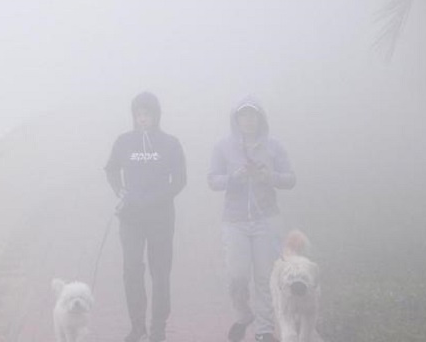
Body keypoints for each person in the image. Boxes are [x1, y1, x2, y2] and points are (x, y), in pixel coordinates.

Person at [208, 97, 296, 342]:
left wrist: (269, 176)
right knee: (237, 275)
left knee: (265, 277)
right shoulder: (223, 146)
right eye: (243, 116)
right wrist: (234, 177)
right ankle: (243, 314)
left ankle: (264, 330)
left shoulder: (274, 146)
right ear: (236, 120)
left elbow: (290, 179)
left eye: (253, 115)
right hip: (234, 221)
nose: (248, 120)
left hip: (267, 218)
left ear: (261, 119)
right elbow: (212, 179)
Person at [104, 91, 187, 342]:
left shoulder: (170, 143)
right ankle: (137, 325)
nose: (143, 119)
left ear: (156, 115)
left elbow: (180, 180)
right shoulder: (124, 141)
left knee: (160, 272)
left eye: (147, 114)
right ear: (133, 116)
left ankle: (158, 326)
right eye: (139, 114)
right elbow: (111, 169)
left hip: (161, 217)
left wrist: (158, 198)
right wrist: (120, 191)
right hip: (130, 217)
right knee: (131, 269)